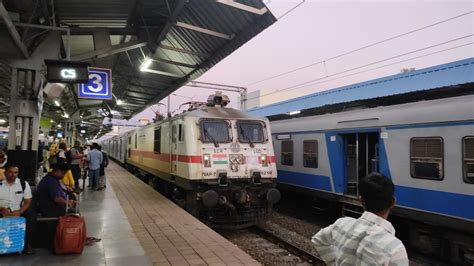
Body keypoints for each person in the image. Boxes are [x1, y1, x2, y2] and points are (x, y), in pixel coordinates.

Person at [312, 173, 408, 266]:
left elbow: (317, 240)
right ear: (393, 203)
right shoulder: (395, 249)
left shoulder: (342, 223)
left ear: (361, 201)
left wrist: (333, 262)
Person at [0, 164, 35, 254]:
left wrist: (20, 211)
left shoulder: (23, 184)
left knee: (30, 216)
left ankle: (27, 245)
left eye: (15, 173)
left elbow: (27, 201)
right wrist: (1, 209)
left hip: (17, 210)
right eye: (10, 172)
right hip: (2, 210)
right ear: (5, 172)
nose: (13, 175)